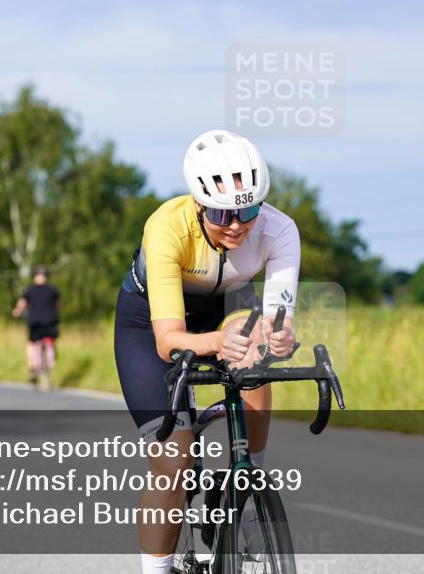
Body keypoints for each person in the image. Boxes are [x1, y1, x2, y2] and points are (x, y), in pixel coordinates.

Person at [115, 130, 300, 574]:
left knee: (256, 350)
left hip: (227, 307)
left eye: (248, 211)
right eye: (222, 213)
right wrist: (216, 344)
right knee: (173, 462)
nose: (237, 225)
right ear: (198, 203)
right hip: (152, 323)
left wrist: (281, 337)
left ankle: (248, 475)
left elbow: (279, 318)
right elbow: (169, 340)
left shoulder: (280, 231)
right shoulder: (166, 226)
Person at [12, 266, 61, 386]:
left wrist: (17, 311)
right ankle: (50, 362)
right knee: (50, 341)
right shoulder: (53, 290)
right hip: (50, 321)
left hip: (35, 322)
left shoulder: (30, 290)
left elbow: (22, 303)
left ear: (35, 276)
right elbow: (58, 305)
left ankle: (33, 366)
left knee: (32, 343)